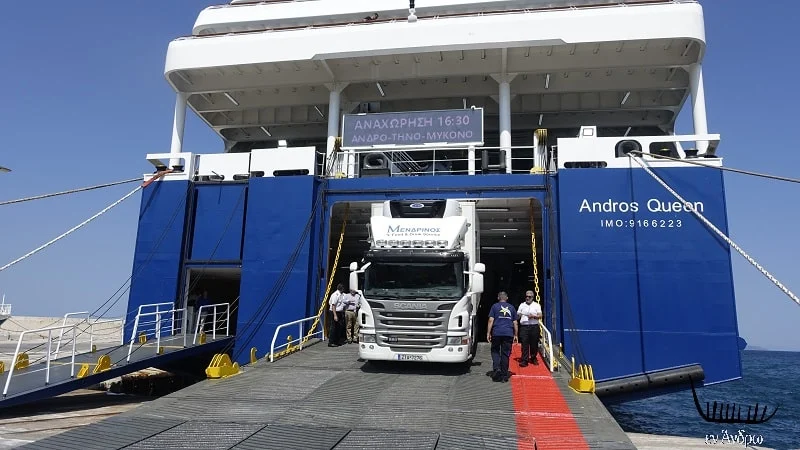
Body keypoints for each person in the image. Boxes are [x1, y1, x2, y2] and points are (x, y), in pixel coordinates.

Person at [486, 291, 518, 382]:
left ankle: (497, 368)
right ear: (507, 298)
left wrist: (488, 333)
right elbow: (515, 323)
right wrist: (516, 334)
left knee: (495, 351)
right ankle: (504, 375)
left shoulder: (494, 306)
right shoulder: (511, 307)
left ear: (498, 298)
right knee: (505, 354)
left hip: (497, 332)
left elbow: (490, 320)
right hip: (508, 333)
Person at [517, 290, 542, 367]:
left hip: (534, 326)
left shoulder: (537, 305)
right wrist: (518, 315)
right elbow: (518, 315)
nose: (527, 298)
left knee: (534, 344)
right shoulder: (522, 305)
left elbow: (540, 315)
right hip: (524, 327)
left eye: (529, 297)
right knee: (524, 343)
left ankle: (533, 357)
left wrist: (533, 316)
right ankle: (525, 360)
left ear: (532, 297)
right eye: (526, 296)